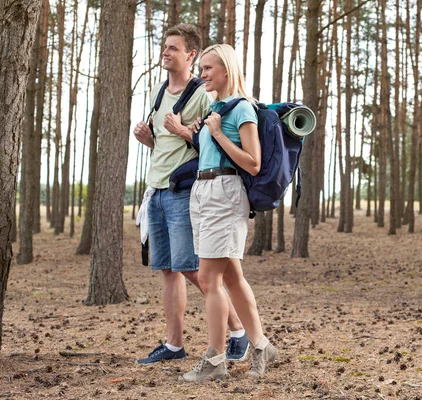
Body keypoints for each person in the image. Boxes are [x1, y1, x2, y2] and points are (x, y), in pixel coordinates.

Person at [133, 25, 249, 365]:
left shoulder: (202, 94)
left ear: (191, 55)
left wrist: (182, 130)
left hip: (183, 191)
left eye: (173, 48)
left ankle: (239, 333)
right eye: (164, 47)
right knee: (169, 269)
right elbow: (164, 144)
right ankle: (173, 345)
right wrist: (148, 140)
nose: (165, 52)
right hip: (156, 190)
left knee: (195, 271)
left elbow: (206, 147)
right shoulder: (158, 91)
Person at [177, 44, 278, 383]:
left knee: (208, 279)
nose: (202, 74)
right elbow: (211, 155)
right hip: (203, 192)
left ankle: (216, 359)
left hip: (225, 194)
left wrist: (218, 132)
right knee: (231, 278)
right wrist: (199, 134)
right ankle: (263, 346)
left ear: (226, 70)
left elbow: (253, 162)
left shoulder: (241, 110)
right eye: (201, 68)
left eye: (207, 68)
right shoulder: (215, 108)